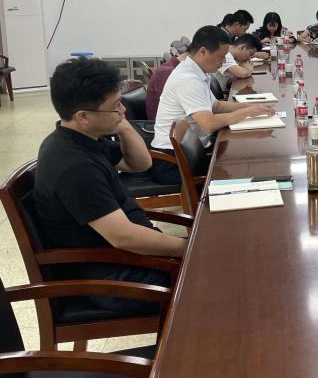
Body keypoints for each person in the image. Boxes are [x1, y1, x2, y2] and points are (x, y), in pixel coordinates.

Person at [34, 58, 185, 314]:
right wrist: (188, 248)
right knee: (218, 274)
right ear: (83, 116)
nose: (123, 110)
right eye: (115, 107)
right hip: (114, 278)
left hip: (129, 258)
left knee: (222, 260)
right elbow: (123, 237)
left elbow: (141, 164)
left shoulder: (82, 137)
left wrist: (122, 125)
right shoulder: (75, 167)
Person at [149, 26, 274, 184]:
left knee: (244, 162)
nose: (223, 62)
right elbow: (209, 124)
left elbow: (216, 106)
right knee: (245, 173)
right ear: (203, 52)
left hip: (191, 151)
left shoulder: (196, 71)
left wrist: (251, 107)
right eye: (221, 57)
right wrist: (247, 112)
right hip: (173, 162)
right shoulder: (188, 80)